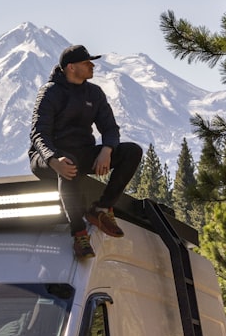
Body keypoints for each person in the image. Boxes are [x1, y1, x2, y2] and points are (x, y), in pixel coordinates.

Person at [29, 44, 143, 258]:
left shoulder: (94, 93)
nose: (92, 66)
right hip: (46, 158)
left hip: (82, 153)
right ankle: (79, 233)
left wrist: (107, 149)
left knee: (131, 151)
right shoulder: (50, 92)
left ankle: (101, 209)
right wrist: (53, 159)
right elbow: (38, 133)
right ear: (71, 67)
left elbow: (110, 128)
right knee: (69, 163)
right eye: (86, 62)